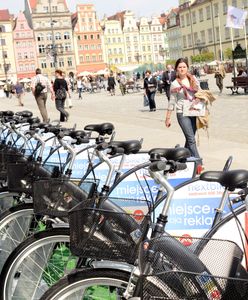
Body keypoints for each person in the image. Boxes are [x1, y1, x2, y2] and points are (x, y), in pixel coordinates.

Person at [165, 58, 203, 170]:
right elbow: (172, 101)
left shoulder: (193, 79)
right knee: (191, 139)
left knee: (189, 138)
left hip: (193, 111)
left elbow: (200, 92)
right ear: (176, 69)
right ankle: (199, 163)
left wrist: (198, 98)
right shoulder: (174, 84)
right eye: (180, 67)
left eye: (184, 67)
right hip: (182, 113)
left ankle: (181, 158)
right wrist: (168, 118)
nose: (182, 69)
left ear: (187, 68)